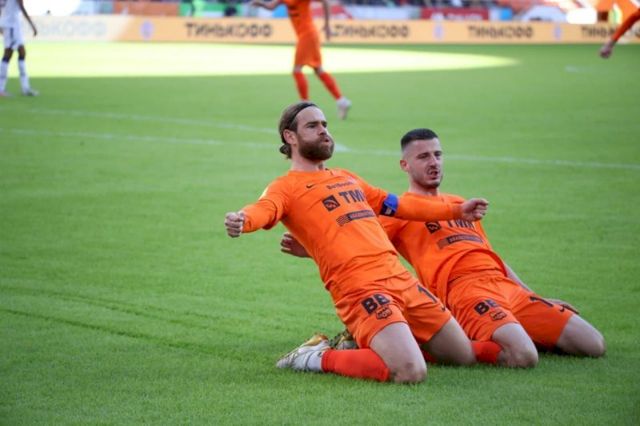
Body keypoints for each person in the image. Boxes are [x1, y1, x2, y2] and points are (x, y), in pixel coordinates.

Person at [283, 128, 606, 367]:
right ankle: (411, 345)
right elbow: (358, 242)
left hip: (507, 289)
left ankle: (495, 330)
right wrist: (312, 250)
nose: (433, 162)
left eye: (437, 155)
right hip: (465, 293)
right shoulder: (400, 213)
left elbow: (491, 255)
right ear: (404, 165)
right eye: (423, 157)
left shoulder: (459, 204)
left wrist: (532, 294)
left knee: (593, 345)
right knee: (523, 356)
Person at [224, 102, 495, 383]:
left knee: (462, 355)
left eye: (324, 124)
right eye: (312, 126)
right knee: (410, 372)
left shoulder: (346, 177)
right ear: (290, 136)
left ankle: (370, 343)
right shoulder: (286, 187)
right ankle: (314, 356)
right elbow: (264, 208)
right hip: (359, 287)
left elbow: (398, 205)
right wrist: (243, 219)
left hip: (400, 278)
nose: (323, 131)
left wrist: (455, 211)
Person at [249, 0, 351, 119]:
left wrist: (327, 25)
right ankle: (342, 101)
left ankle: (305, 106)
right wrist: (260, 4)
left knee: (297, 70)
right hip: (307, 35)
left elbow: (325, 2)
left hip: (307, 34)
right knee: (318, 70)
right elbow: (271, 6)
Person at [0, 0, 38, 97]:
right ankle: (1, 88)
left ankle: (25, 87)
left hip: (12, 24)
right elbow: (21, 6)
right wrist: (32, 24)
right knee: (8, 54)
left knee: (22, 52)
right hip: (11, 24)